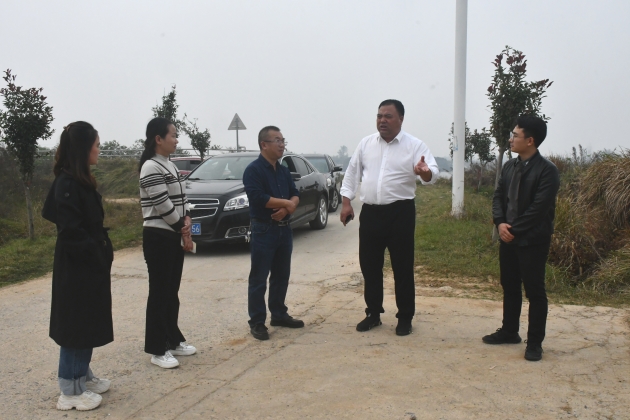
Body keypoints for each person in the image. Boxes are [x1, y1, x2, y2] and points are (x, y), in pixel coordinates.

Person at [340, 99, 439, 336]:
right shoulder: (366, 144)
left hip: (400, 213)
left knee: (402, 267)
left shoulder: (414, 145)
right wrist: (346, 203)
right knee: (370, 266)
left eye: (388, 116)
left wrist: (424, 172)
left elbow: (432, 174)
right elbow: (352, 174)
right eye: (379, 116)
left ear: (401, 119)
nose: (382, 120)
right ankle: (373, 313)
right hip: (371, 213)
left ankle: (405, 317)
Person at [42, 121, 113, 411]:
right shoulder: (68, 183)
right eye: (96, 145)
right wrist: (95, 253)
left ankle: (82, 375)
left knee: (88, 321)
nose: (99, 150)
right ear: (84, 148)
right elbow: (70, 231)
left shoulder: (80, 180)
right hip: (77, 266)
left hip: (88, 265)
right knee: (75, 324)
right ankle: (70, 390)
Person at [483, 115, 560, 362]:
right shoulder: (510, 166)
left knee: (535, 291)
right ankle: (509, 331)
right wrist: (500, 223)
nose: (511, 139)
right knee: (510, 286)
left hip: (532, 241)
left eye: (515, 135)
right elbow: (498, 197)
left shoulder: (547, 171)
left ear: (530, 140)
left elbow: (539, 209)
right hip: (508, 238)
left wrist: (513, 229)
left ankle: (535, 343)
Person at [138, 117, 196, 368]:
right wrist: (182, 227)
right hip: (158, 236)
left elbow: (182, 200)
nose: (176, 140)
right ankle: (157, 348)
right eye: (173, 135)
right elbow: (162, 204)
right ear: (158, 139)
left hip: (172, 234)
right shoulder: (151, 167)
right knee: (160, 293)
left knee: (171, 292)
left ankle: (172, 340)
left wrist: (187, 219)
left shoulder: (169, 164)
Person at [242, 126, 303, 340]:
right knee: (259, 277)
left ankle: (279, 314)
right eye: (277, 140)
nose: (281, 144)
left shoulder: (283, 170)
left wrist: (287, 208)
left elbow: (295, 193)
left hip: (284, 229)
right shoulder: (254, 170)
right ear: (264, 144)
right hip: (263, 229)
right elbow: (258, 197)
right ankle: (257, 321)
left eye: (283, 140)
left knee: (281, 275)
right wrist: (286, 203)